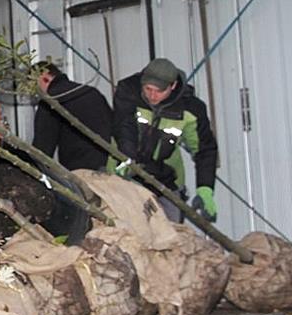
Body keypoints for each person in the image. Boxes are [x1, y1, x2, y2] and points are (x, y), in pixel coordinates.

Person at [112, 57, 218, 224]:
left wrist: (205, 187)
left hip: (166, 177)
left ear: (173, 85)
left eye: (159, 91)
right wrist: (126, 158)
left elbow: (204, 149)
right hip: (124, 169)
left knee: (171, 230)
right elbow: (125, 127)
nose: (152, 95)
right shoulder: (128, 92)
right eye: (148, 89)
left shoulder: (191, 110)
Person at [32, 61, 113, 171]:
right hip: (106, 167)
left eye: (34, 85)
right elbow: (114, 126)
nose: (36, 92)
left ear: (44, 77)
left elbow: (42, 150)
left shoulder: (50, 101)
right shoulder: (92, 92)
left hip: (78, 171)